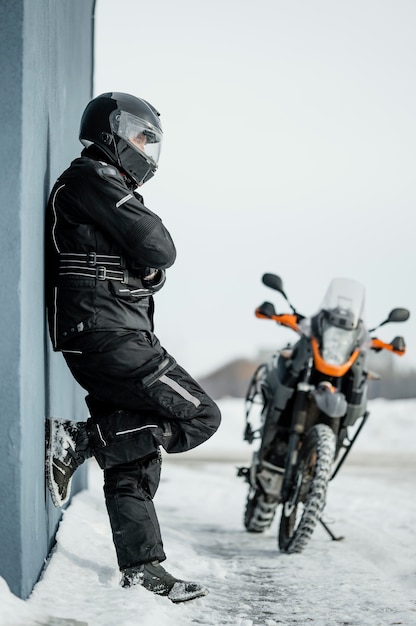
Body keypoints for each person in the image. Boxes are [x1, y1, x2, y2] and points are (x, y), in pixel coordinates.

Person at [45, 92, 221, 603]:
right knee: (200, 416)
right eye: (143, 136)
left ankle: (143, 568)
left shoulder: (101, 188)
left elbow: (149, 265)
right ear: (113, 132)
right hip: (110, 337)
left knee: (134, 461)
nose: (148, 148)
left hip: (106, 335)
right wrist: (148, 262)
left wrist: (147, 266)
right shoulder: (91, 178)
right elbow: (158, 246)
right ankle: (80, 438)